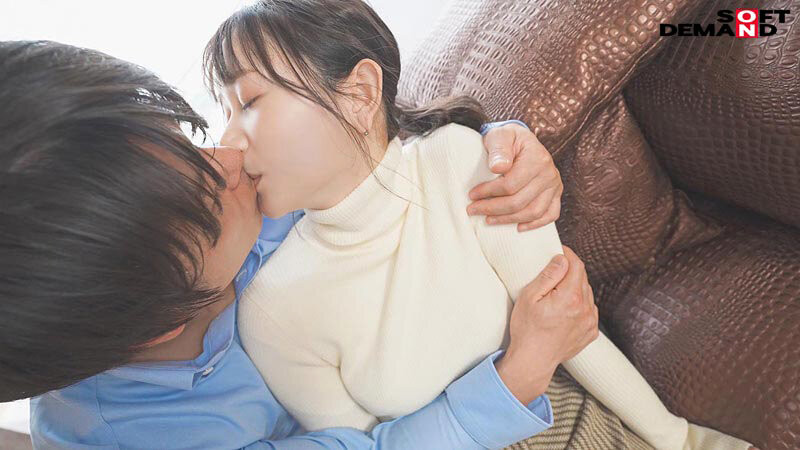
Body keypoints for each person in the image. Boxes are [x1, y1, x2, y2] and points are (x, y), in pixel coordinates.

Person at [207, 2, 755, 450]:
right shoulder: (270, 312)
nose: (229, 140)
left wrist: (683, 440)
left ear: (360, 93)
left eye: (248, 101)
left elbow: (573, 332)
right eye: (224, 112)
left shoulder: (461, 163)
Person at [0, 39, 596, 449]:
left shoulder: (223, 211)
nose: (231, 155)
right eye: (208, 197)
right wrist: (518, 375)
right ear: (156, 326)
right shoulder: (140, 434)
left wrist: (501, 147)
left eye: (190, 140)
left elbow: (380, 154)